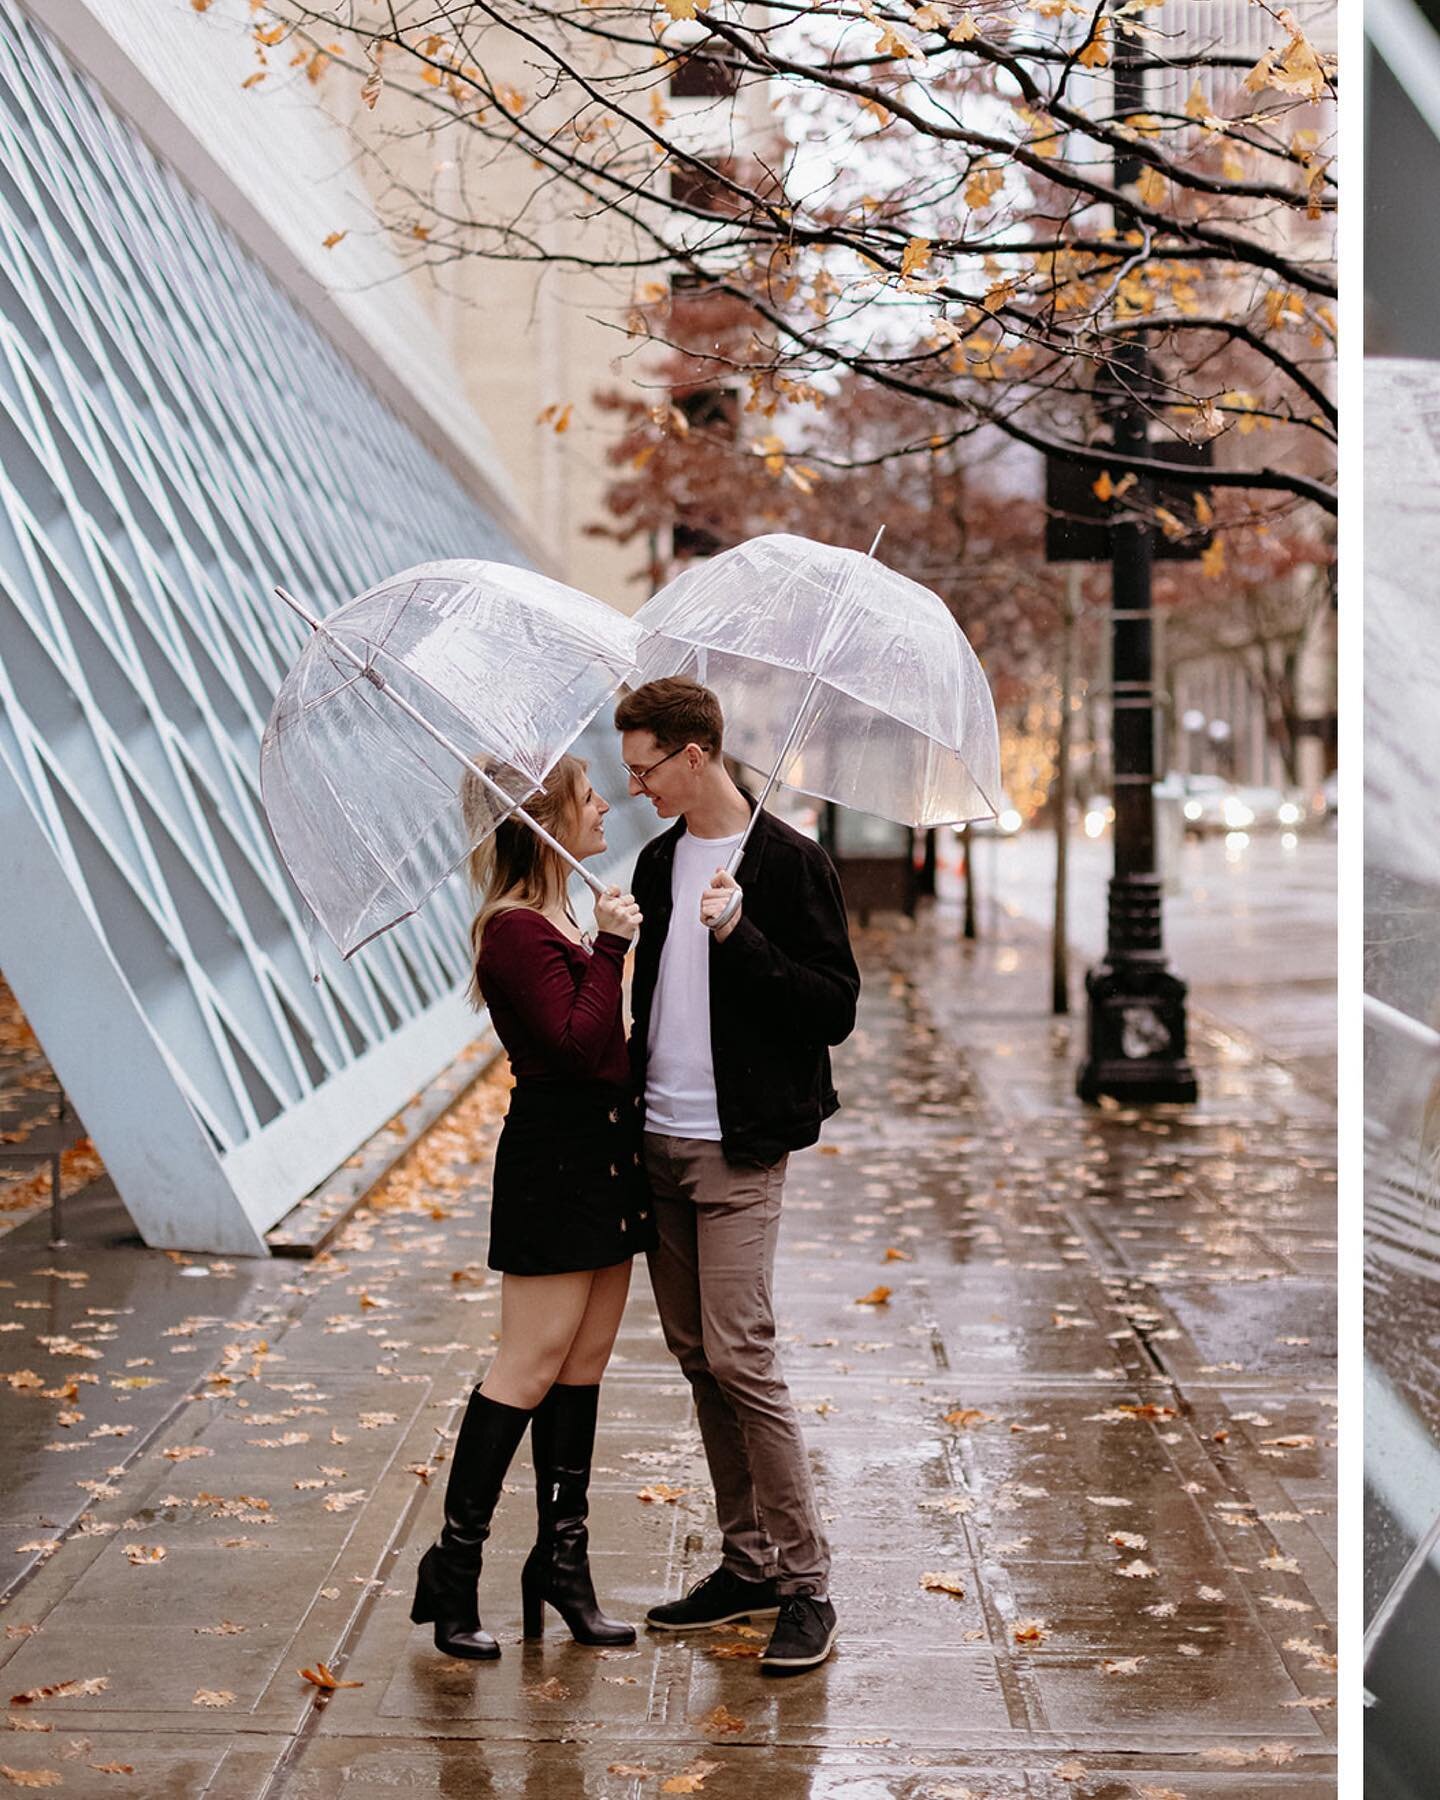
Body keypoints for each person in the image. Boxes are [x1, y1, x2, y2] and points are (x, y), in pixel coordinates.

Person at [615, 676, 861, 1675]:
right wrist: (609, 940)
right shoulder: (658, 858)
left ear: (696, 753)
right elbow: (649, 1004)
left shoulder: (791, 863)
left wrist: (739, 936)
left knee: (742, 1355)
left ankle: (807, 1584)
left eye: (646, 768)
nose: (636, 787)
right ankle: (747, 1561)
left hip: (739, 1148)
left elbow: (832, 1007)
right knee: (697, 1358)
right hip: (658, 1144)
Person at [409, 754, 654, 1660]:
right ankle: (454, 1569)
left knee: (582, 1367)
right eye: (588, 798)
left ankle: (562, 1563)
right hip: (555, 1164)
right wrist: (612, 946)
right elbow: (576, 1042)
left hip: (605, 1155)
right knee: (526, 1365)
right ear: (543, 820)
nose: (603, 809)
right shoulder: (516, 931)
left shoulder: (559, 917)